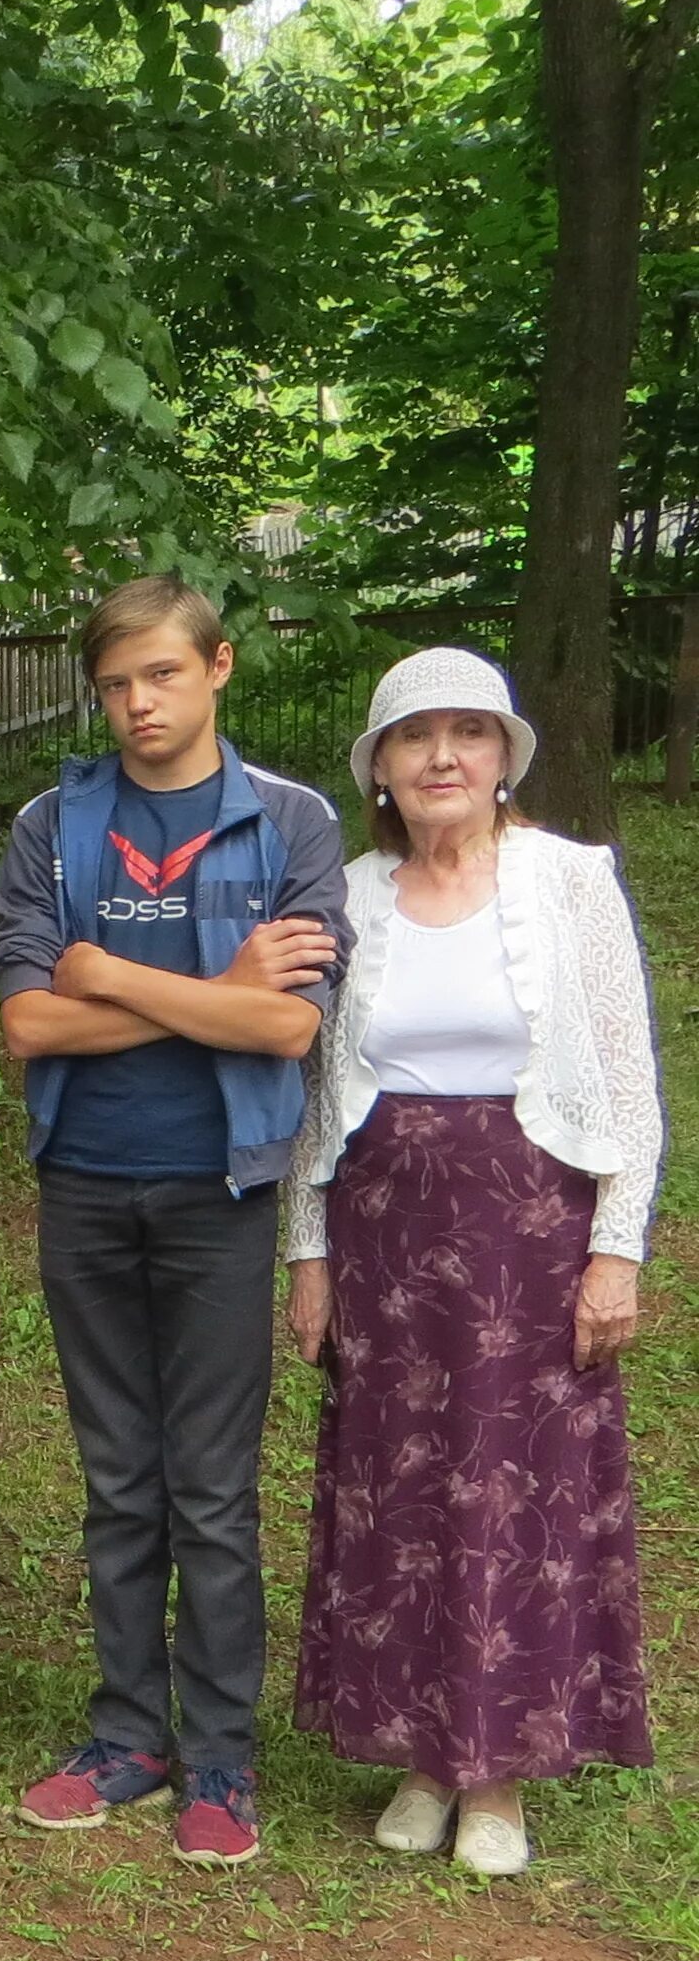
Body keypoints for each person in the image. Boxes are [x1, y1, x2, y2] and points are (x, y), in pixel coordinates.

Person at [283, 648, 662, 1876]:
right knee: (400, 1489)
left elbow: (627, 1065)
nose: (442, 755)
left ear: (504, 758)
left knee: (520, 1487)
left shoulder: (567, 880)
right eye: (414, 737)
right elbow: (319, 1092)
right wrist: (309, 1249)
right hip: (386, 1233)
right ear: (381, 770)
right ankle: (419, 1751)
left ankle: (496, 1776)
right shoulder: (353, 893)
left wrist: (617, 1245)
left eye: (469, 732)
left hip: (532, 1228)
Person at [0, 576, 352, 1867]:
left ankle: (220, 1758)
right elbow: (30, 1027)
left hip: (223, 1188)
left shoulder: (293, 821)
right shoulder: (52, 823)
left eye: (161, 674)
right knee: (116, 1479)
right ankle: (127, 1737)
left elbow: (288, 1025)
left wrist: (111, 972)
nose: (138, 704)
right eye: (115, 684)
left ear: (219, 669)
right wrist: (213, 986)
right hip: (86, 1183)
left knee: (210, 1484)